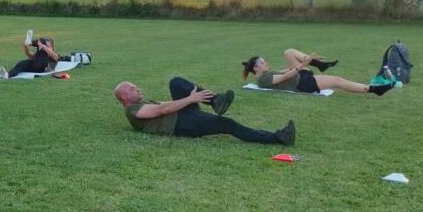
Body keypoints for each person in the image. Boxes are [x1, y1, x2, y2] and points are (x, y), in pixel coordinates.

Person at [114, 77, 296, 145]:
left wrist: (190, 96)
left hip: (183, 115)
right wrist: (191, 99)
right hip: (180, 125)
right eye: (132, 88)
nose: (136, 88)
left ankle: (216, 101)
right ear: (124, 97)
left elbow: (166, 103)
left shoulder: (141, 102)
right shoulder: (133, 110)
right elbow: (162, 110)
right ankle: (277, 138)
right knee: (228, 124)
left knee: (176, 82)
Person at [243, 49, 394, 96]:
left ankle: (319, 64)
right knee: (337, 80)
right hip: (302, 83)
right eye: (263, 63)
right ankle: (373, 89)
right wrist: (302, 65)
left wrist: (307, 61)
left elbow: (284, 71)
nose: (266, 63)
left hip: (300, 76)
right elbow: (285, 77)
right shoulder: (262, 80)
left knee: (288, 52)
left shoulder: (266, 73)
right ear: (256, 68)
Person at [0, 35, 69, 78]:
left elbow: (53, 55)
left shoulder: (55, 55)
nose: (45, 47)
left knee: (42, 42)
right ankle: (7, 75)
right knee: (22, 63)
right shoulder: (40, 54)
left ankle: (31, 42)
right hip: (34, 66)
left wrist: (43, 46)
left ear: (52, 48)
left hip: (42, 68)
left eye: (48, 46)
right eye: (44, 45)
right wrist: (26, 47)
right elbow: (29, 55)